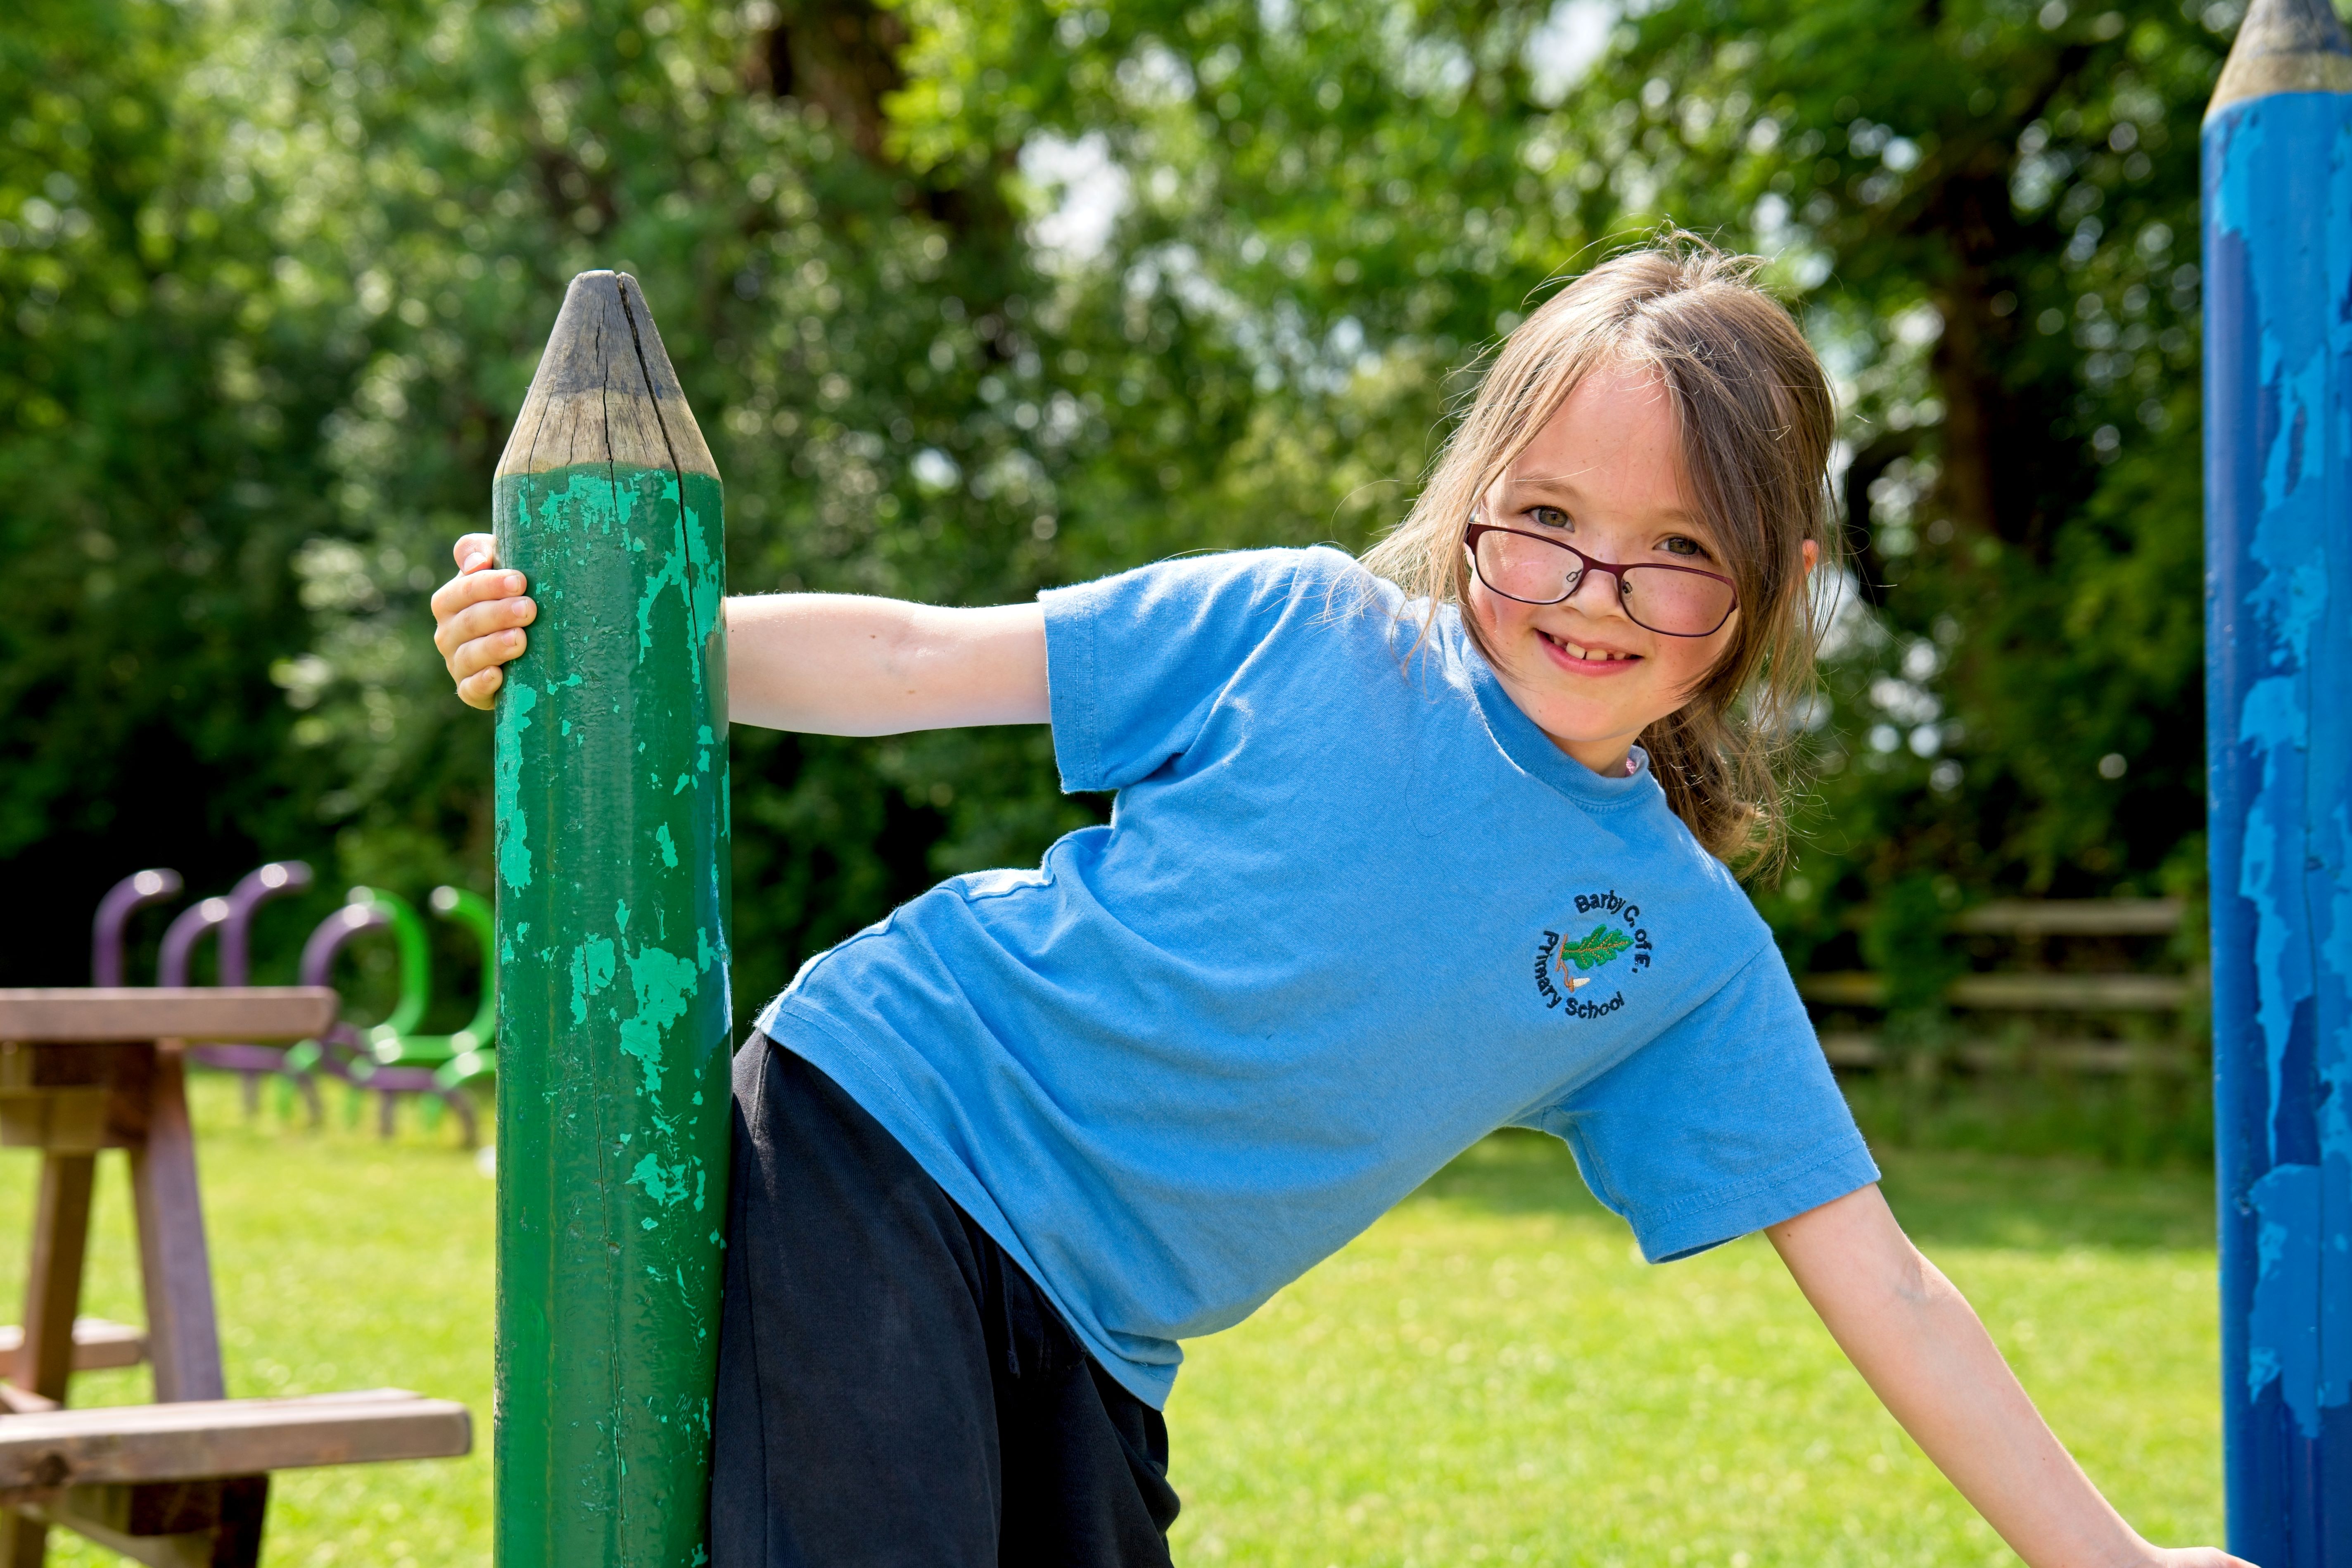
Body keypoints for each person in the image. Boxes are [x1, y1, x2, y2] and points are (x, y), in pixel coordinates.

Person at [432, 240, 2248, 1568]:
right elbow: (920, 655)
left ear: (1773, 583)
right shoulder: (1303, 633)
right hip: (885, 1129)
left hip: (1101, 1323)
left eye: (1675, 545)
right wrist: (614, 636)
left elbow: (1890, 1284)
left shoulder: (1676, 955)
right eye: (1541, 511)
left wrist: (2117, 1558)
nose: (1588, 582)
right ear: (1474, 493)